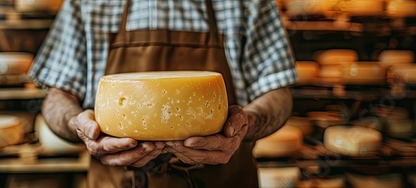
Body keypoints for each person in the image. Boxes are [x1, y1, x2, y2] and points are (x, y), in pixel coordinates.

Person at [29, 0, 297, 187]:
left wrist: (243, 126)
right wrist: (78, 125)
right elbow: (58, 97)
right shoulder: (87, 3)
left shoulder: (248, 2)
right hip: (117, 181)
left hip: (224, 179)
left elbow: (277, 94)